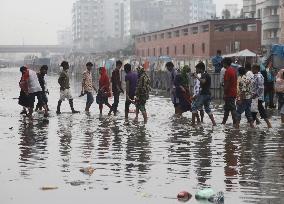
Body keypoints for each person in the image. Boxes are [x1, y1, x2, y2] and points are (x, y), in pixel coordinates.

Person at [191, 62, 216, 126]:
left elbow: (203, 81)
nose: (196, 71)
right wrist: (197, 95)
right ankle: (214, 123)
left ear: (200, 69)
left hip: (204, 95)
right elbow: (202, 87)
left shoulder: (205, 75)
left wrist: (197, 77)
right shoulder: (205, 74)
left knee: (193, 107)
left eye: (197, 69)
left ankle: (193, 124)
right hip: (207, 95)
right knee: (207, 109)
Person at [221, 57, 238, 125]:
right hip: (233, 92)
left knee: (232, 108)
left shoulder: (228, 71)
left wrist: (225, 93)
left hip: (229, 93)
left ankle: (236, 123)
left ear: (225, 63)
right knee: (227, 109)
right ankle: (223, 123)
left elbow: (227, 84)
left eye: (223, 63)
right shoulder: (233, 70)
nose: (222, 64)